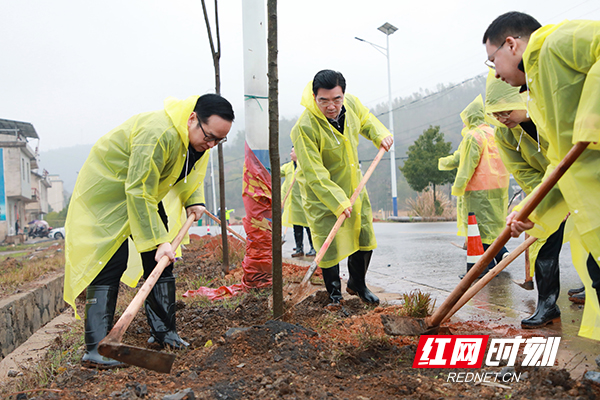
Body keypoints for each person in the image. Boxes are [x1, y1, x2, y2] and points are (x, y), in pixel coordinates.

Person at [64, 94, 234, 368]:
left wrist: (194, 198)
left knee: (161, 262)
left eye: (219, 140)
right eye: (210, 136)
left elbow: (191, 170)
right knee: (110, 262)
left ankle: (164, 333)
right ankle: (96, 348)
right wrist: (158, 240)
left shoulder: (197, 140)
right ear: (192, 119)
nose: (211, 145)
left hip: (142, 194)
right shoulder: (158, 133)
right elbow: (138, 190)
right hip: (108, 194)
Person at [483, 12, 600, 340]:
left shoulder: (558, 42)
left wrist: (593, 116)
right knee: (595, 269)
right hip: (581, 192)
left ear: (511, 45)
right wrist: (530, 209)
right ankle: (547, 303)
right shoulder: (539, 94)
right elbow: (557, 166)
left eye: (493, 61)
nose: (495, 72)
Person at [291, 70, 393, 306]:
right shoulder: (304, 127)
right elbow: (314, 173)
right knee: (329, 244)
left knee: (364, 235)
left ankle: (358, 283)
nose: (331, 106)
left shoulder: (352, 105)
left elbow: (366, 120)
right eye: (323, 100)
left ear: (343, 95)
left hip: (354, 186)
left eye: (337, 99)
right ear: (314, 97)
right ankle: (334, 295)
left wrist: (380, 134)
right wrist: (337, 201)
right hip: (322, 195)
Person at [485, 70, 569, 328]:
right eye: (495, 113)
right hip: (545, 189)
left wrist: (565, 191)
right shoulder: (504, 133)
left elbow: (567, 157)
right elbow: (523, 172)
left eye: (506, 111)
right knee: (544, 239)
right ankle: (547, 304)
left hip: (579, 178)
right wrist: (536, 205)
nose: (501, 118)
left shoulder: (551, 117)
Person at [438, 95, 510, 278]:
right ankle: (500, 256)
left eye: (465, 120)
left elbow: (467, 164)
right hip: (499, 187)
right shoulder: (493, 133)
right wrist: (443, 162)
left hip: (479, 190)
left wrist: (458, 186)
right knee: (492, 227)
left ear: (470, 118)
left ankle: (482, 267)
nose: (464, 124)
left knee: (479, 230)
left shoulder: (473, 136)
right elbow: (460, 158)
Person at [281, 147, 316, 258]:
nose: (290, 153)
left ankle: (313, 247)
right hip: (294, 203)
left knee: (309, 227)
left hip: (305, 202)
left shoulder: (305, 165)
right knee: (297, 226)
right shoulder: (288, 167)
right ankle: (299, 248)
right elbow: (277, 172)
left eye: (292, 151)